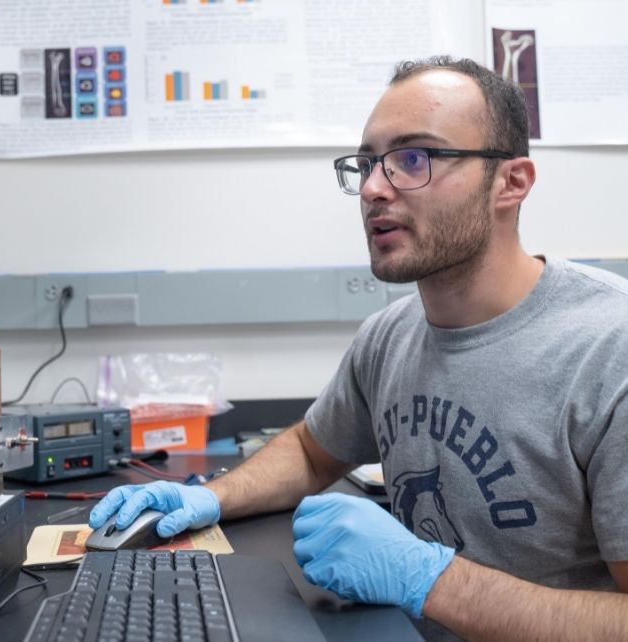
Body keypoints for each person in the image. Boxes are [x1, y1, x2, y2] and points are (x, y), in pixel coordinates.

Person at [90, 55, 628, 641]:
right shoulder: (391, 334)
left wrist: (431, 581)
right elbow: (314, 452)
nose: (373, 188)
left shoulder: (609, 349)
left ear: (511, 182)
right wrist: (209, 499)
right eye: (369, 163)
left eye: (412, 158)